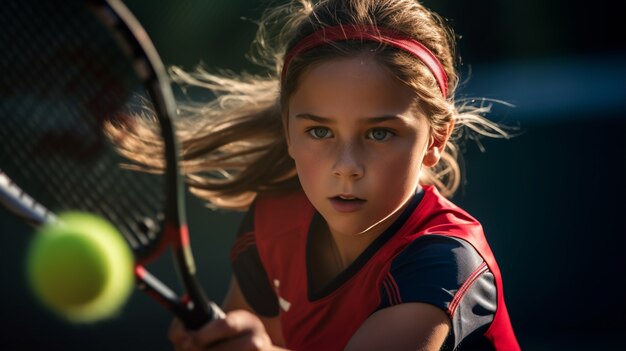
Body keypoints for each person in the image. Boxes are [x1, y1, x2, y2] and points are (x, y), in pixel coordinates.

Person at [118, 0, 520, 349]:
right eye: (319, 131)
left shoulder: (447, 262)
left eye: (380, 133)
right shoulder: (273, 223)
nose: (347, 165)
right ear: (288, 130)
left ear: (435, 140)